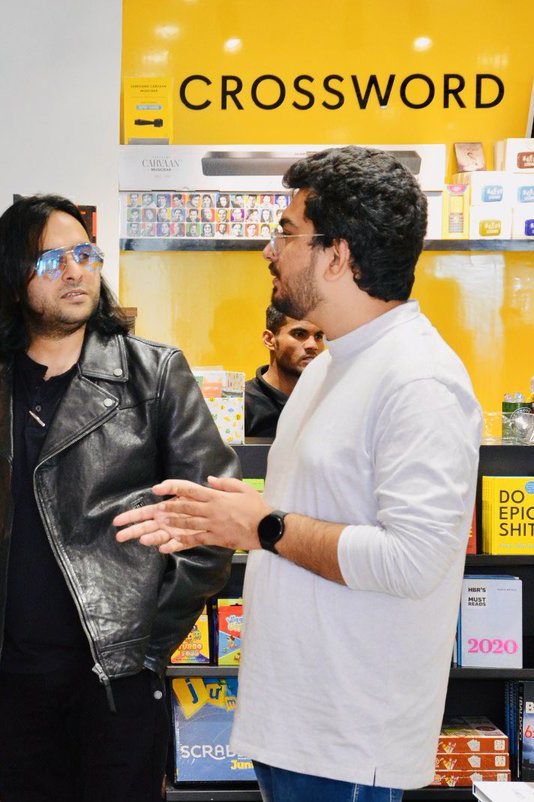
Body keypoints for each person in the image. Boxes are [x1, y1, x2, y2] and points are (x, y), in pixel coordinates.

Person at [114, 146, 482, 801]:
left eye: (287, 231)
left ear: (337, 256)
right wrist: (229, 513)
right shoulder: (332, 367)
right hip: (295, 727)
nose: (269, 248)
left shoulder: (419, 379)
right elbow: (302, 516)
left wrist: (263, 523)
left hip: (347, 742)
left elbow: (413, 559)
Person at [0, 194, 236, 801]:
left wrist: (147, 647)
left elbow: (213, 528)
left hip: (117, 681)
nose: (75, 271)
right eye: (52, 260)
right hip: (19, 683)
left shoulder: (153, 375)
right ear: (12, 277)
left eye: (84, 254)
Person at [244, 306, 325, 438]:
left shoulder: (330, 401)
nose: (313, 345)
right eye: (299, 334)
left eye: (318, 336)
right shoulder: (241, 406)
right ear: (269, 340)